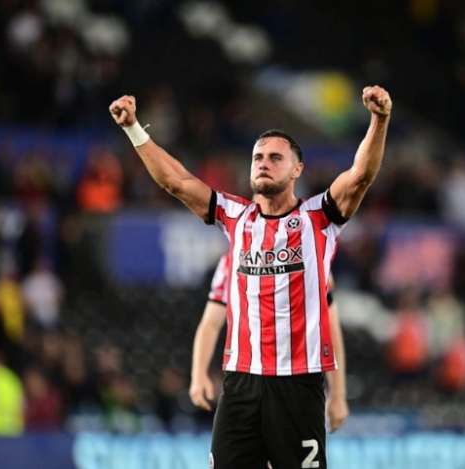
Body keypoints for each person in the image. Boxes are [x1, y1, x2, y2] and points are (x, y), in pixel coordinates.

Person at [109, 85, 391, 469]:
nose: (263, 163)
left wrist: (379, 120)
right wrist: (133, 129)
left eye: (275, 158)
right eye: (258, 157)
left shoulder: (319, 219)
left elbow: (360, 176)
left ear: (297, 169)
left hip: (298, 383)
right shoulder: (234, 217)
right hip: (241, 383)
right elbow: (176, 181)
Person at [189, 254, 349, 432]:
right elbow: (211, 324)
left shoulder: (311, 257)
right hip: (248, 381)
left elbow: (329, 328)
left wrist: (338, 394)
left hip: (296, 378)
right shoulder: (231, 261)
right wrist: (198, 373)